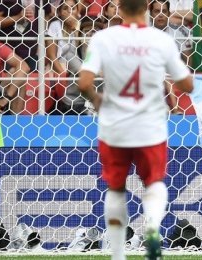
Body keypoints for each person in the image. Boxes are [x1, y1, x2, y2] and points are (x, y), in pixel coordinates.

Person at [78, 0, 193, 259]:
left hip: (114, 126)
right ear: (147, 9)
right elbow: (186, 84)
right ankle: (152, 226)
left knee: (116, 188)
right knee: (154, 183)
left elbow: (84, 82)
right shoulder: (160, 41)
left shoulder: (102, 38)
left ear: (119, 8)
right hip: (149, 125)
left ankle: (118, 254)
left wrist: (99, 102)